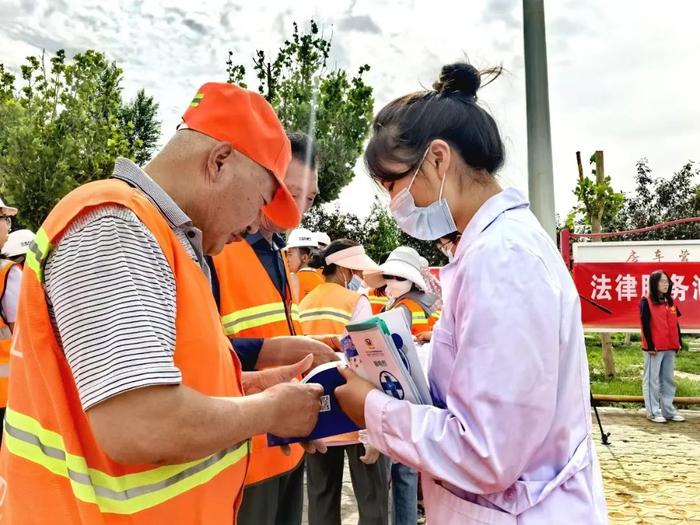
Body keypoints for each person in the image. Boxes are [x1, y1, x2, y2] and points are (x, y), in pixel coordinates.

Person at [0, 83, 325, 524]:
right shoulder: (114, 225)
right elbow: (140, 426)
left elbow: (158, 385)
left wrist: (248, 388)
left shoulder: (164, 240)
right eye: (261, 199)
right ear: (220, 161)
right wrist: (270, 410)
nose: (253, 223)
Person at [335, 62, 608, 524]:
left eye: (393, 185)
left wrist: (373, 410)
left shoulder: (503, 259)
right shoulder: (487, 249)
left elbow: (487, 453)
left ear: (438, 159)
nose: (393, 204)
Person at [209, 131, 336, 525]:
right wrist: (274, 350)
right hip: (243, 453)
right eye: (290, 190)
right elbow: (201, 352)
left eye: (309, 198)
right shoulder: (216, 248)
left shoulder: (278, 254)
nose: (298, 206)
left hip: (288, 444)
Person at [299, 239, 390, 525]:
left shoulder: (304, 302)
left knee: (321, 500)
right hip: (355, 413)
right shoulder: (355, 301)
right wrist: (371, 431)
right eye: (354, 269)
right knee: (372, 501)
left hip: (317, 413)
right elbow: (367, 360)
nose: (358, 276)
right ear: (342, 269)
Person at [640, 270, 685, 423]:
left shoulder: (670, 301)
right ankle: (652, 412)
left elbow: (675, 323)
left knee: (668, 379)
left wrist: (679, 341)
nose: (666, 284)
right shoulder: (646, 301)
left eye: (667, 281)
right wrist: (650, 346)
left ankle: (668, 411)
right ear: (654, 283)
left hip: (670, 347)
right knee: (652, 380)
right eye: (662, 281)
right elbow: (645, 324)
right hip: (654, 348)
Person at [365, 246, 438, 339]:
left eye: (400, 277)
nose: (393, 282)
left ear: (412, 280)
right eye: (388, 276)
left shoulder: (403, 307)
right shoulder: (432, 300)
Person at [0, 198, 20, 436]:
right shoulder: (7, 274)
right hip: (6, 395)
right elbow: (25, 335)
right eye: (5, 219)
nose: (8, 226)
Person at [286, 227, 325, 302]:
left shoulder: (292, 282)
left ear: (304, 258)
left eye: (290, 254)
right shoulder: (321, 281)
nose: (287, 259)